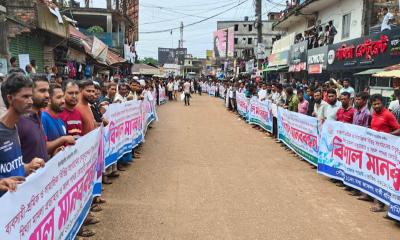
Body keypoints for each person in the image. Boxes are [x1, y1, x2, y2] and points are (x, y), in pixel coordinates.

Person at [0, 73, 45, 196]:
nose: (30, 101)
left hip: (17, 204)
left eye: (30, 96)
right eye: (25, 96)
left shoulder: (15, 126)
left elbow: (14, 169)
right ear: (10, 99)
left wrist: (29, 165)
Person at [369, 94, 400, 212]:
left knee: (384, 177)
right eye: (374, 104)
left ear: (383, 103)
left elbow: (398, 129)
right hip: (375, 149)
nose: (376, 106)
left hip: (386, 151)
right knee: (376, 175)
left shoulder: (388, 114)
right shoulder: (374, 114)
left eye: (378, 104)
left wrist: (388, 136)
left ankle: (381, 204)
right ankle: (377, 200)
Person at [17, 74, 49, 164]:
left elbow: (37, 148)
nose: (47, 95)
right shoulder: (19, 121)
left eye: (48, 90)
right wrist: (27, 168)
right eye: (42, 91)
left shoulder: (39, 115)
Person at [41, 84, 75, 157]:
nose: (63, 101)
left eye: (63, 97)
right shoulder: (43, 118)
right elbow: (42, 148)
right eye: (59, 97)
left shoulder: (61, 121)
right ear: (49, 100)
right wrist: (63, 139)